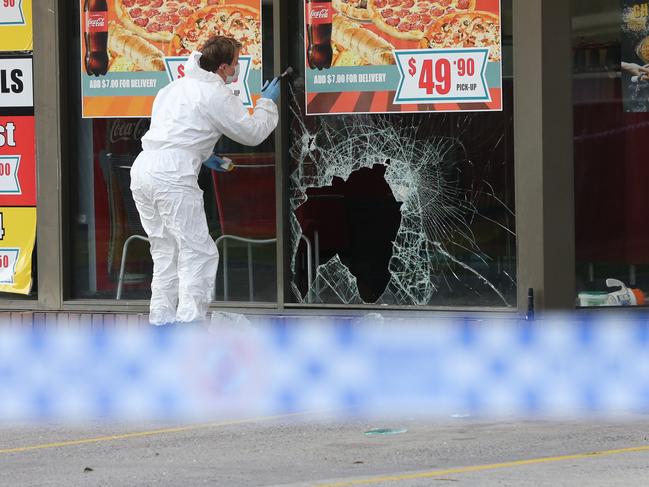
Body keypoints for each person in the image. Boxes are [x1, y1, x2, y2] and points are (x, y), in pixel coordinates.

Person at [130, 36, 281, 325]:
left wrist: (202, 154)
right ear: (223, 67)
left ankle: (161, 324)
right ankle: (190, 326)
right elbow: (252, 133)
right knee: (197, 251)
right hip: (172, 174)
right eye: (236, 63)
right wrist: (266, 104)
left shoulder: (172, 88)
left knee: (164, 250)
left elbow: (177, 132)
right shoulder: (215, 93)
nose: (237, 70)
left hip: (144, 168)